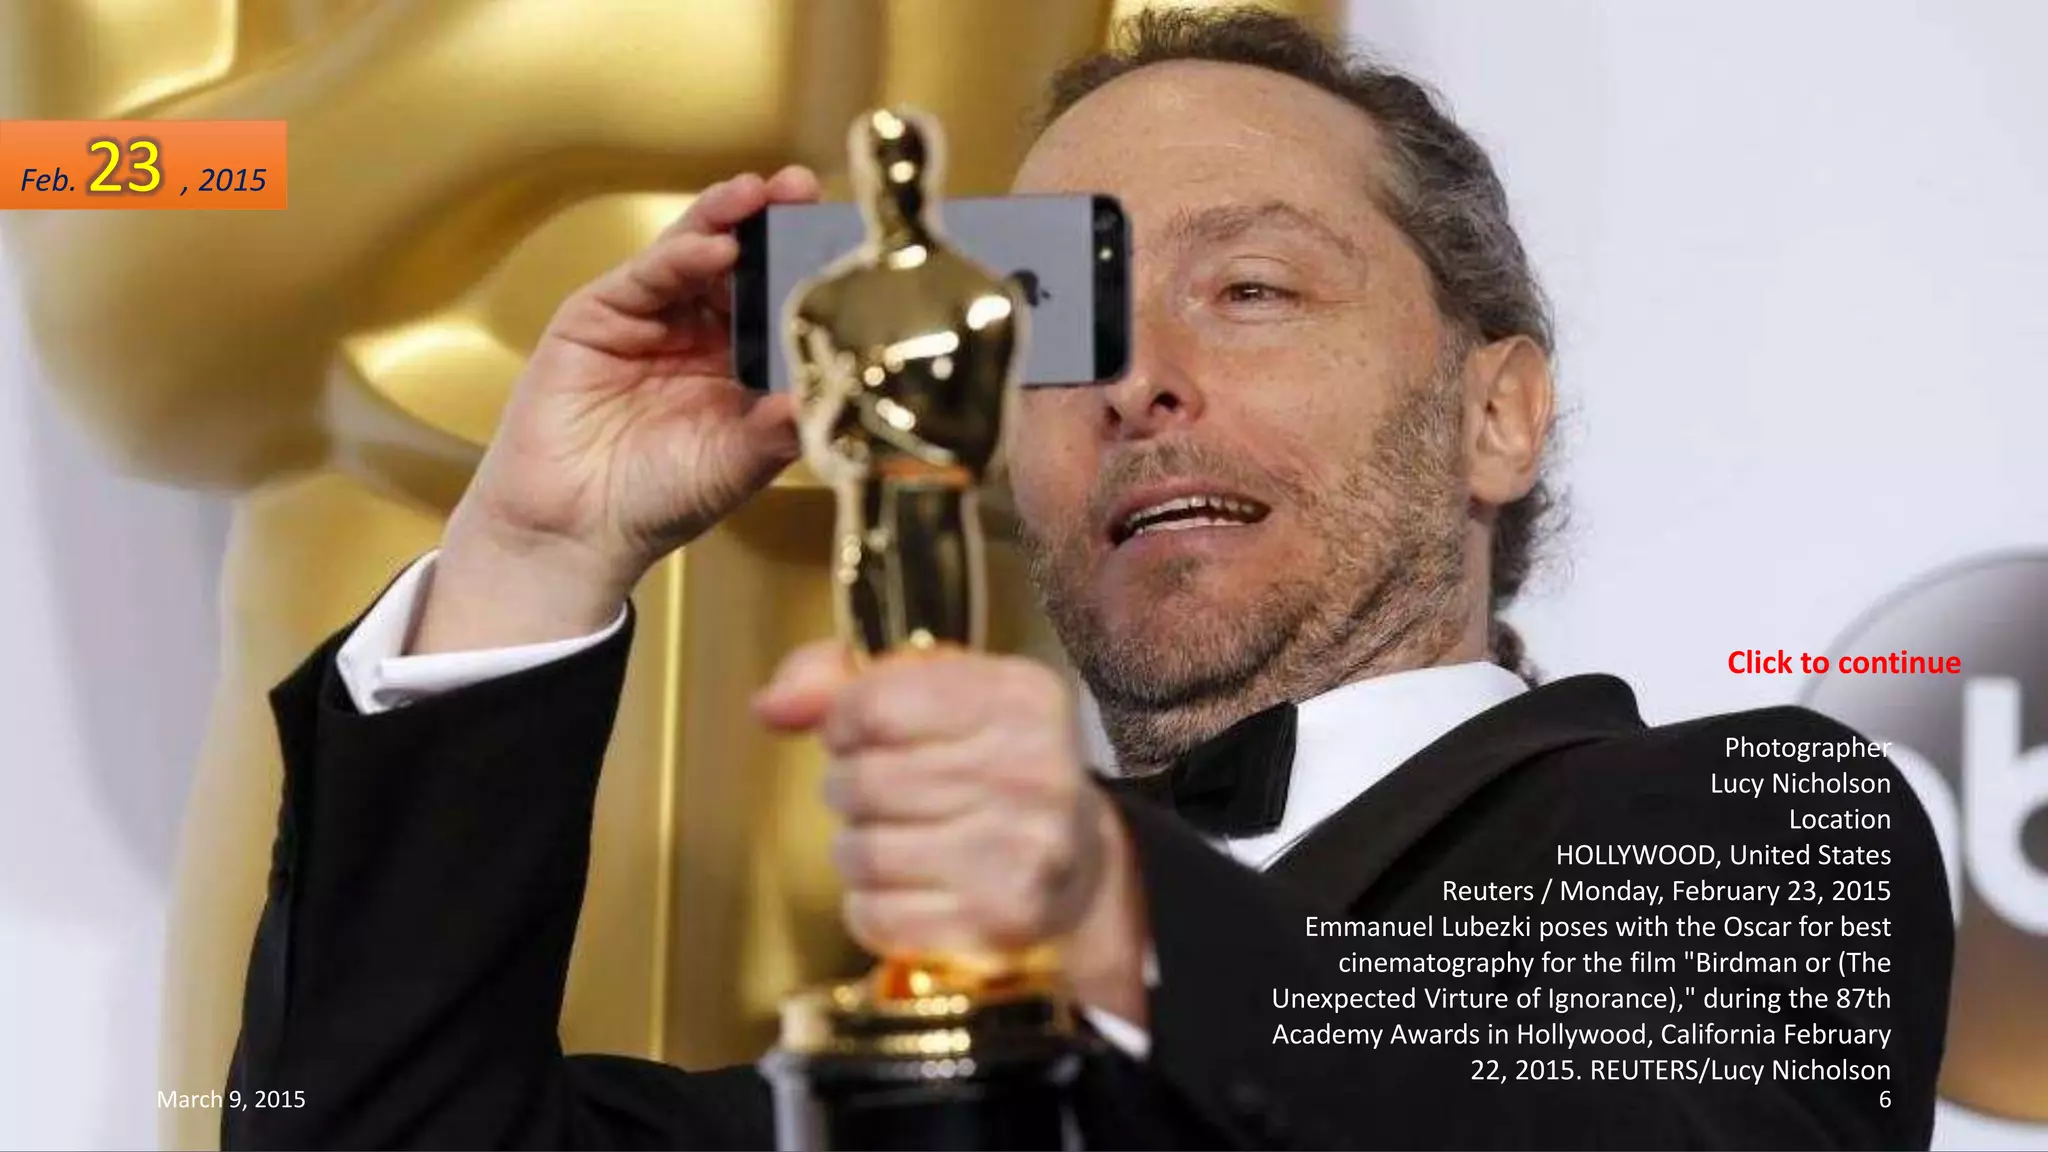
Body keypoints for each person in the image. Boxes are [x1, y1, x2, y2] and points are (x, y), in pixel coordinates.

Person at [224, 9, 1952, 1149]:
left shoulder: (1764, 824)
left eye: (1256, 289)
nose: (1138, 380)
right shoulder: (871, 1054)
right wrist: (536, 548)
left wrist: (1125, 923)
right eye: (1068, 323)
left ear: (1496, 412)